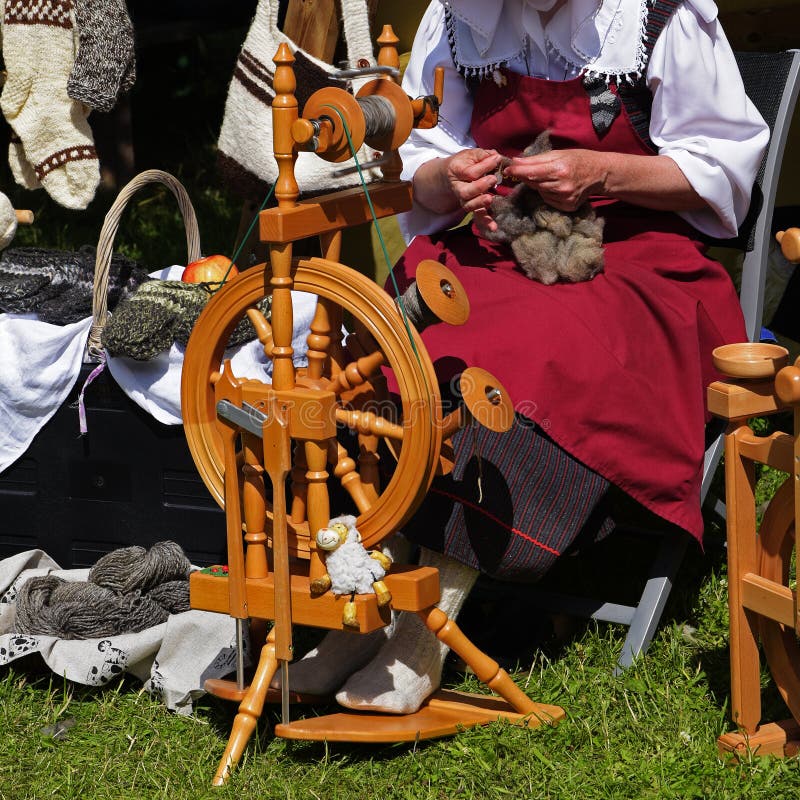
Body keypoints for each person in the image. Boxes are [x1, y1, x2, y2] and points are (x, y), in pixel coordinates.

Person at [277, 0, 769, 713]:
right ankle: (366, 607)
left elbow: (722, 171)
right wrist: (442, 179)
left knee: (518, 353)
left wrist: (603, 172)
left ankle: (424, 632)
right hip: (499, 242)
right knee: (389, 334)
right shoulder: (459, 16)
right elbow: (417, 151)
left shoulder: (660, 16)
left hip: (633, 262)